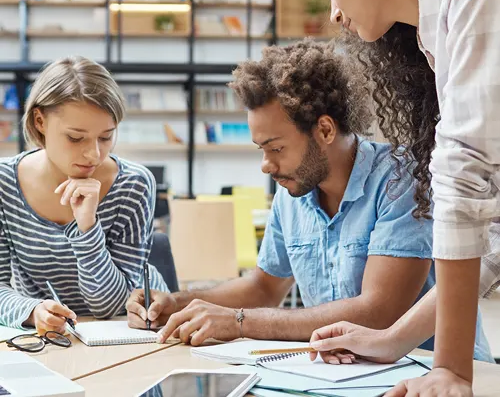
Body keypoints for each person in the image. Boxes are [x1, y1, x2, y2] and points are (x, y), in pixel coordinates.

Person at [126, 40, 492, 362]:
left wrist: (239, 322)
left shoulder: (399, 178)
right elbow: (264, 288)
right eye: (261, 149)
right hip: (346, 373)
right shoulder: (294, 190)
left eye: (276, 148)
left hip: (430, 371)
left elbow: (378, 312)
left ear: (326, 130)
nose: (266, 165)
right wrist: (179, 303)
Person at [301, 0, 500, 394]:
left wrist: (451, 369)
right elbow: (495, 241)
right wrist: (393, 340)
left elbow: (463, 176)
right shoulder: (439, 39)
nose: (334, 12)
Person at [0, 56, 169, 334]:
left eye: (105, 137)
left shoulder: (134, 185)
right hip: (52, 337)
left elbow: (108, 305)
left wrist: (87, 226)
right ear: (39, 120)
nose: (94, 154)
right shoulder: (4, 182)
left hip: (131, 333)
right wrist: (31, 311)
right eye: (75, 138)